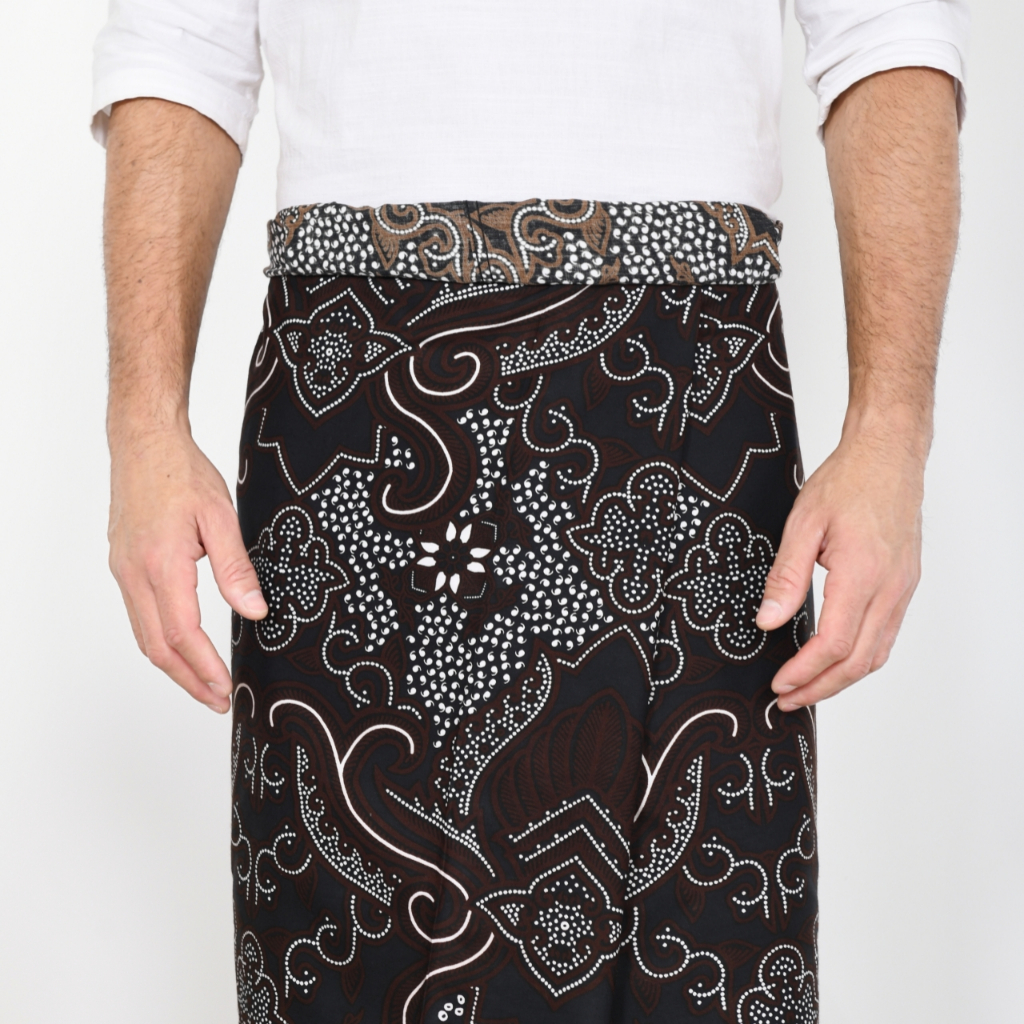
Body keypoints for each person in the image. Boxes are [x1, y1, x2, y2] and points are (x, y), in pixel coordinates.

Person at [93, 2, 967, 1021]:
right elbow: (178, 48)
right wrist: (142, 426)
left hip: (683, 406)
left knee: (703, 958)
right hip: (358, 405)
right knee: (349, 968)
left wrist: (892, 432)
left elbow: (887, 31)